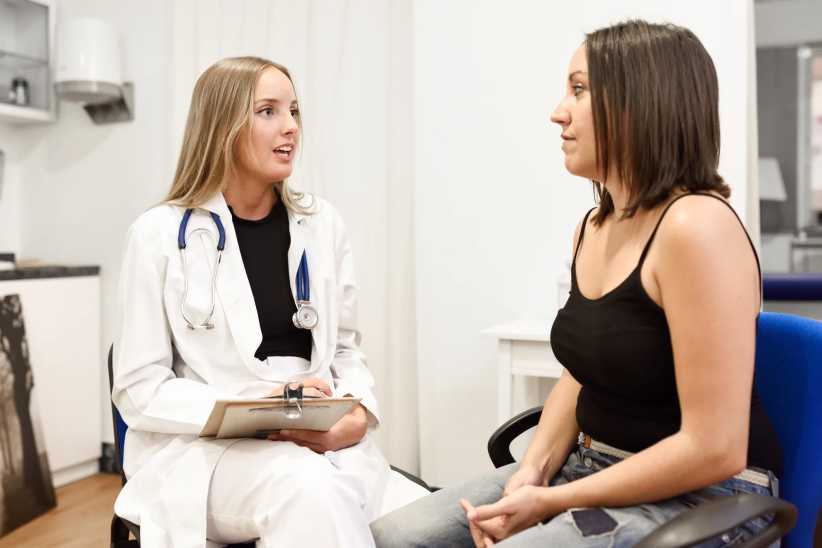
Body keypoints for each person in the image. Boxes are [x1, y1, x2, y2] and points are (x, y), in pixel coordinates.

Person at [371, 19, 783, 548]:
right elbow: (581, 373)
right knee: (394, 536)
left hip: (706, 499)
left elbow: (715, 449)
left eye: (579, 89)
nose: (557, 110)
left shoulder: (697, 227)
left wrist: (551, 502)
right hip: (590, 469)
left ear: (640, 102)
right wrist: (533, 473)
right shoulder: (595, 226)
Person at [112, 56, 391, 548]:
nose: (290, 127)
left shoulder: (322, 225)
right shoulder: (156, 235)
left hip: (319, 445)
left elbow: (346, 351)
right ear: (222, 126)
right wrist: (251, 408)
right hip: (204, 456)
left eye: (294, 110)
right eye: (267, 111)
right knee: (308, 492)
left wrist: (357, 417)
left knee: (400, 515)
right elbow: (138, 386)